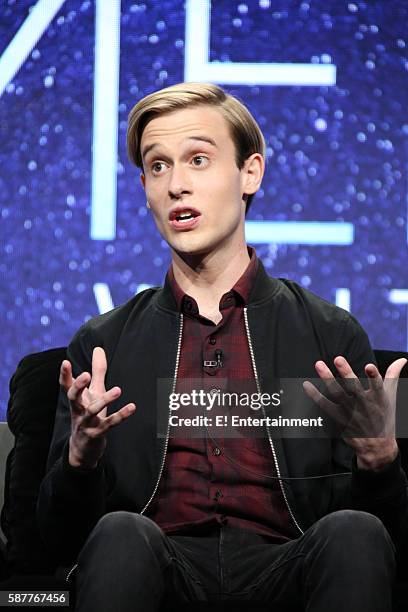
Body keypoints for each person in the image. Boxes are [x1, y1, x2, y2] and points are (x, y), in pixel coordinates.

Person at [37, 82, 407, 612]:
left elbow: (389, 543)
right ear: (143, 187)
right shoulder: (101, 345)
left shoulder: (334, 335)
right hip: (157, 567)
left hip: (289, 568)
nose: (176, 185)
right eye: (158, 167)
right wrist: (80, 459)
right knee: (121, 533)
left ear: (249, 173)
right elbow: (53, 542)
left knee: (352, 532)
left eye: (198, 159)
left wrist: (381, 461)